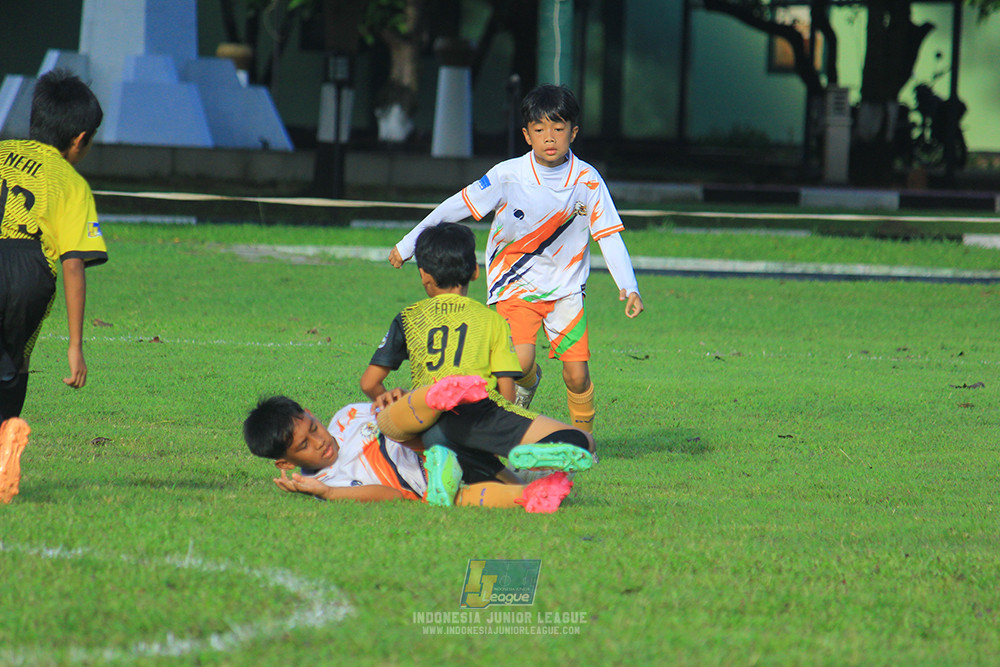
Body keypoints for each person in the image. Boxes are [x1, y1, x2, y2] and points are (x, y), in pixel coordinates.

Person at [388, 84, 644, 434]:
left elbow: (608, 235)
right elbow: (454, 206)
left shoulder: (588, 180)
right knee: (520, 362)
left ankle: (585, 440)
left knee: (577, 375)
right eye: (540, 129)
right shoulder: (507, 175)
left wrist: (628, 286)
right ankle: (528, 384)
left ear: (574, 132)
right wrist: (407, 245)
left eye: (558, 128)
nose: (549, 137)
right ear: (527, 135)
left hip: (566, 292)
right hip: (514, 285)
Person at [361, 222, 595, 491]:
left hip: (430, 422)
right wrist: (504, 432)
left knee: (489, 474)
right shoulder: (492, 321)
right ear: (474, 272)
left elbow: (369, 383)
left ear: (424, 275)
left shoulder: (408, 317)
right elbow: (507, 394)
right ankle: (529, 459)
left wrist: (389, 400)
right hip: (482, 416)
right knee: (583, 441)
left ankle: (453, 464)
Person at [242, 376, 580, 513]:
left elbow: (389, 415)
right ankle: (531, 493)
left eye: (313, 428)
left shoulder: (345, 417)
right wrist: (326, 494)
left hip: (439, 438)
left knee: (392, 422)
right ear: (285, 463)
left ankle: (437, 396)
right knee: (458, 497)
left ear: (311, 413)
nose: (319, 442)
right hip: (439, 481)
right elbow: (394, 496)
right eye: (303, 446)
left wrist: (394, 398)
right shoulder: (325, 482)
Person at [0, 69, 107, 420]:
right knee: (17, 360)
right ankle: (5, 439)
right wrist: (75, 346)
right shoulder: (72, 184)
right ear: (79, 140)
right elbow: (73, 264)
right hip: (27, 269)